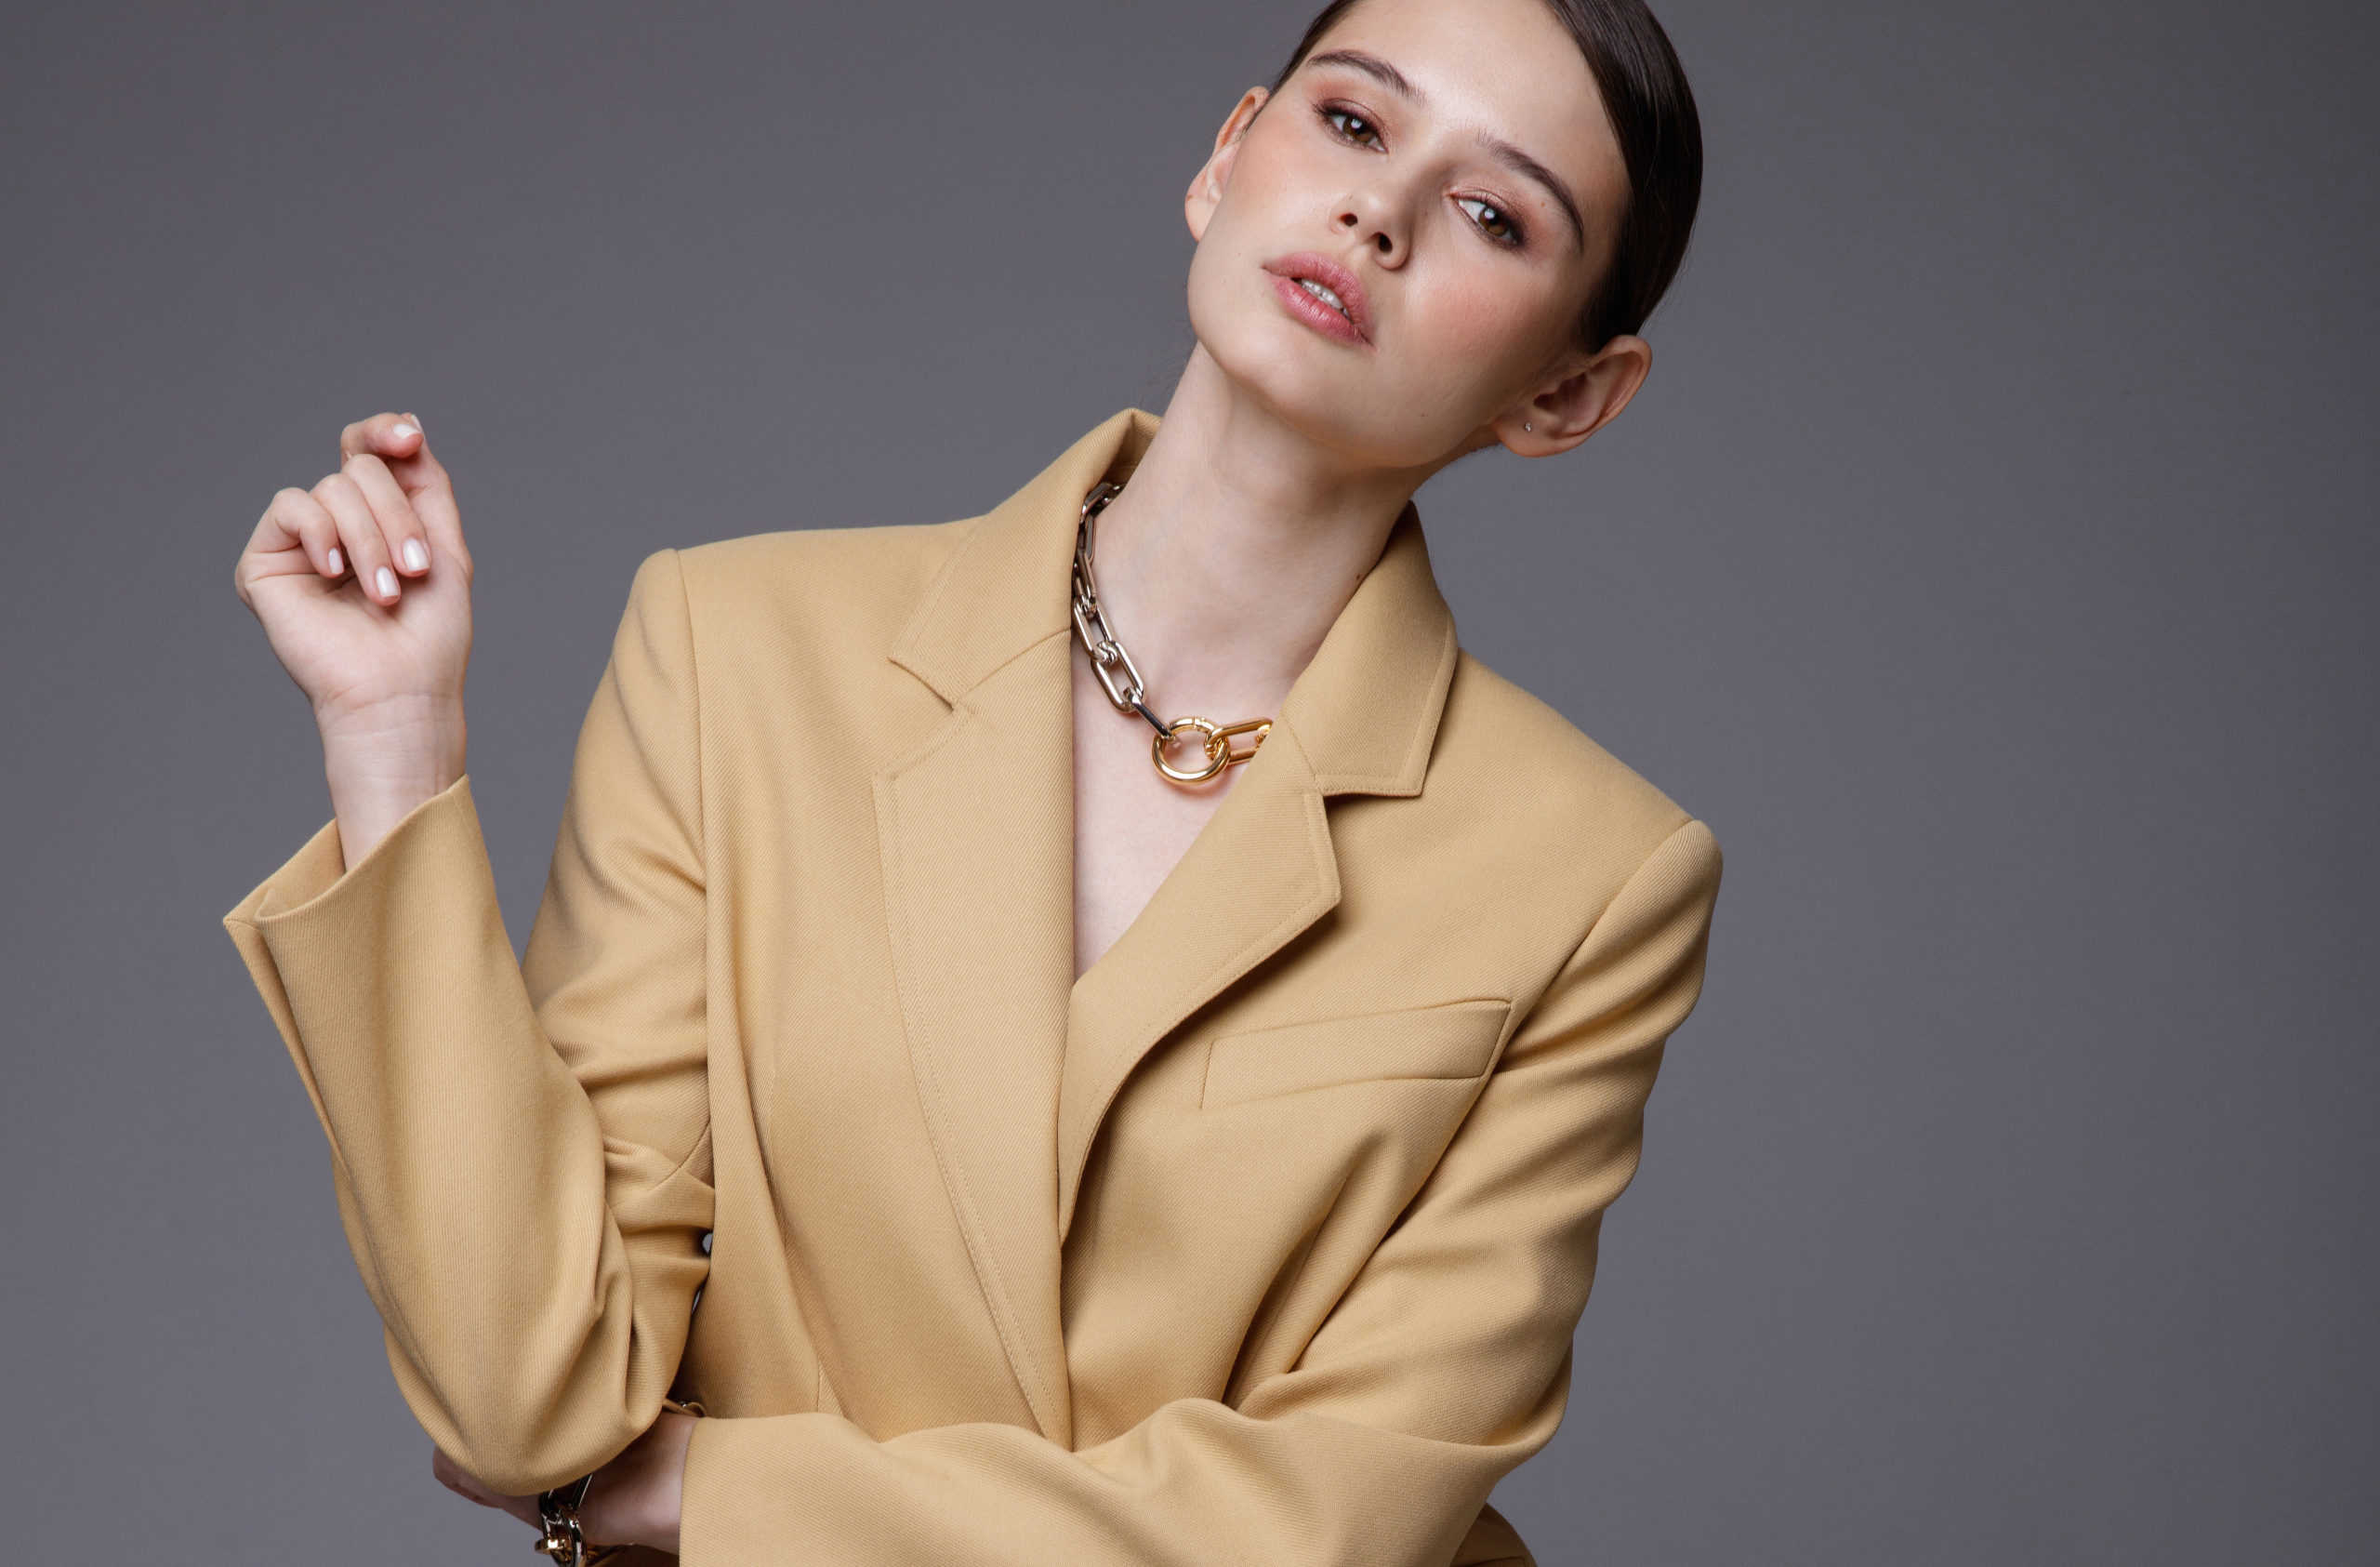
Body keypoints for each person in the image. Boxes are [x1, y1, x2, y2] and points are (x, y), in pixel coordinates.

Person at [220, 0, 1719, 1560]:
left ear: (1568, 393)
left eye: (1492, 213)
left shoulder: (1595, 876)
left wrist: (696, 1494)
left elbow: (1320, 1527)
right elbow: (524, 1395)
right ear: (1228, 159)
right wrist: (394, 740)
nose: (1380, 213)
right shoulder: (736, 652)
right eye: (1351, 122)